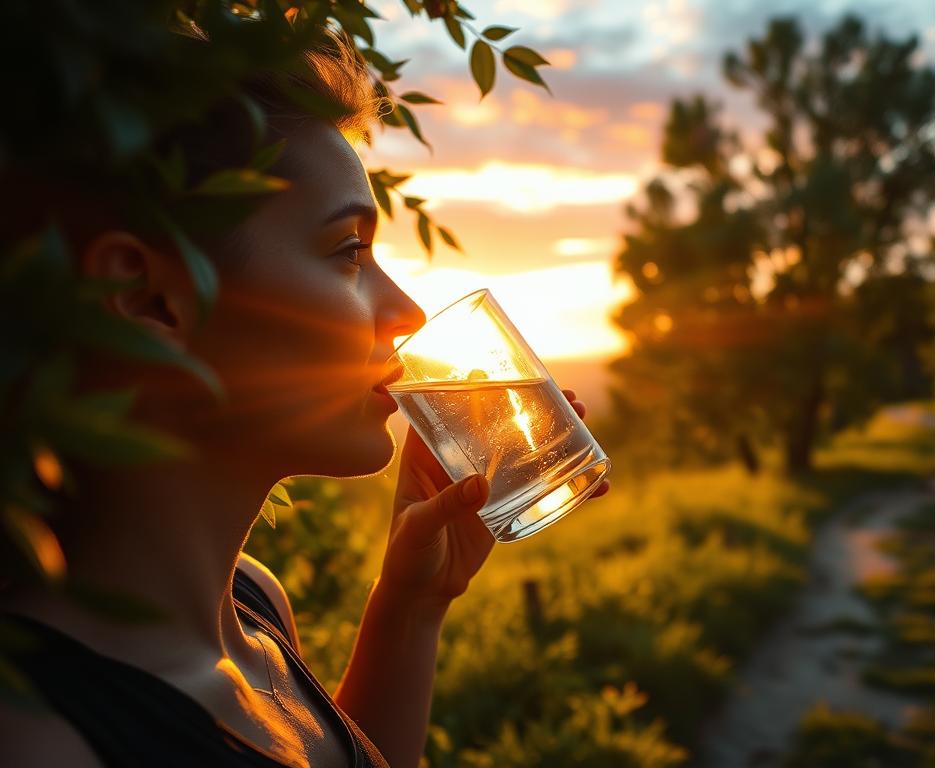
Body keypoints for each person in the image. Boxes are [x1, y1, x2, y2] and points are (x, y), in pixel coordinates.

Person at [0, 22, 607, 768]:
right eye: (349, 250)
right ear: (145, 298)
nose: (409, 312)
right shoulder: (41, 740)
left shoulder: (253, 604)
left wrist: (410, 611)